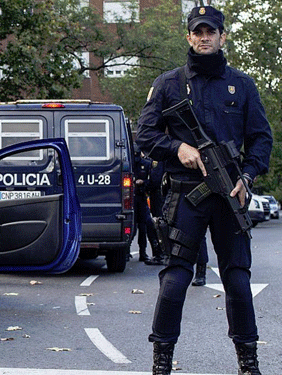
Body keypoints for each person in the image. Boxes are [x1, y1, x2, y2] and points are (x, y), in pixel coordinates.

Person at [136, 6, 272, 375]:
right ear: (189, 37)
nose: (205, 37)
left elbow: (261, 138)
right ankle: (162, 361)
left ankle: (249, 363)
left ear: (222, 36)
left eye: (211, 31)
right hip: (185, 193)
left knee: (239, 282)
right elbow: (144, 135)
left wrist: (246, 176)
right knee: (176, 278)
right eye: (198, 32)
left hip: (230, 196)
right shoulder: (169, 83)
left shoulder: (242, 84)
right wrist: (177, 148)